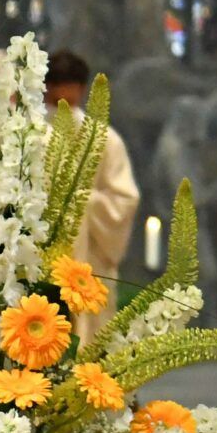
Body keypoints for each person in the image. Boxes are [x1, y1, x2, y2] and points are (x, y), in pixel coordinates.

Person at [45, 49, 142, 276]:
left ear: (81, 89)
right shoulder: (28, 133)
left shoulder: (105, 140)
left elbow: (124, 200)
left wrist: (78, 200)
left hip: (90, 258)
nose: (63, 95)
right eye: (58, 85)